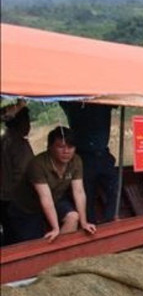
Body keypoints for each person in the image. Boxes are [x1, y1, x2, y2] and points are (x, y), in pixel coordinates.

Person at [6, 126, 96, 244]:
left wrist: (84, 222)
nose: (66, 151)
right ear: (50, 147)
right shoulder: (37, 164)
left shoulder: (76, 161)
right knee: (33, 244)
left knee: (73, 217)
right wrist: (55, 228)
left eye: (70, 147)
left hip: (55, 198)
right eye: (61, 147)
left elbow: (78, 191)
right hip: (27, 208)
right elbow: (45, 198)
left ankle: (61, 251)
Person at [59, 101, 118, 223]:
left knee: (114, 186)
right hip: (84, 156)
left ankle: (110, 218)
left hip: (102, 153)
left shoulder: (103, 99)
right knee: (86, 193)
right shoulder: (73, 102)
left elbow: (117, 100)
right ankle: (89, 223)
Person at [1, 101, 35, 244]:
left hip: (4, 198)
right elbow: (24, 173)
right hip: (18, 200)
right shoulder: (19, 144)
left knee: (10, 238)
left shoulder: (4, 139)